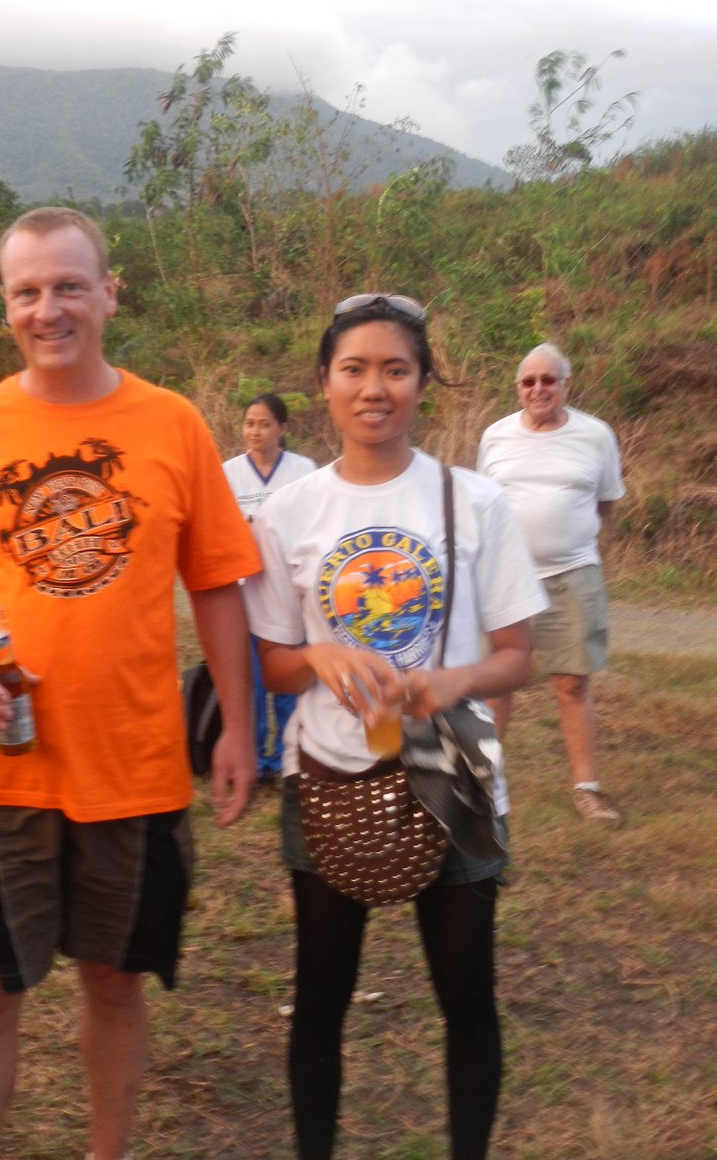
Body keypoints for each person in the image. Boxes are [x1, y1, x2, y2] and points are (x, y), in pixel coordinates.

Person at [0, 207, 260, 1160]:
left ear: (109, 294)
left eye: (67, 287)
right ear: (5, 306)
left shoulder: (172, 424)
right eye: (27, 291)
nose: (47, 309)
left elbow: (218, 583)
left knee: (114, 980)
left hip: (132, 763)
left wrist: (237, 725)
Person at [244, 293, 545, 1160]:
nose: (373, 388)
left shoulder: (474, 501)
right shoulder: (289, 512)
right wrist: (320, 657)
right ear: (325, 383)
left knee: (468, 996)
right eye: (354, 369)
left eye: (395, 370)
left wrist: (453, 679)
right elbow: (274, 665)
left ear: (422, 382)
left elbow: (518, 655)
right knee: (321, 996)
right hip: (328, 769)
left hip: (451, 762)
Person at [476, 342, 627, 827]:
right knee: (497, 682)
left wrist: (566, 534)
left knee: (572, 683)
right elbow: (484, 505)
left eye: (548, 380)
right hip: (505, 577)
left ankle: (587, 789)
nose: (538, 389)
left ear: (565, 384)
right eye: (529, 381)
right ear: (518, 388)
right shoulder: (495, 436)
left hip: (572, 573)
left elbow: (606, 503)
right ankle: (479, 783)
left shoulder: (596, 435)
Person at [221, 392, 316, 781]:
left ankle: (288, 757)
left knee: (290, 672)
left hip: (289, 586)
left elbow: (311, 524)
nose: (255, 431)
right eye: (249, 423)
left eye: (263, 424)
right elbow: (222, 528)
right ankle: (257, 759)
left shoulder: (303, 470)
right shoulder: (229, 473)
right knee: (253, 679)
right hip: (246, 588)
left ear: (282, 428)